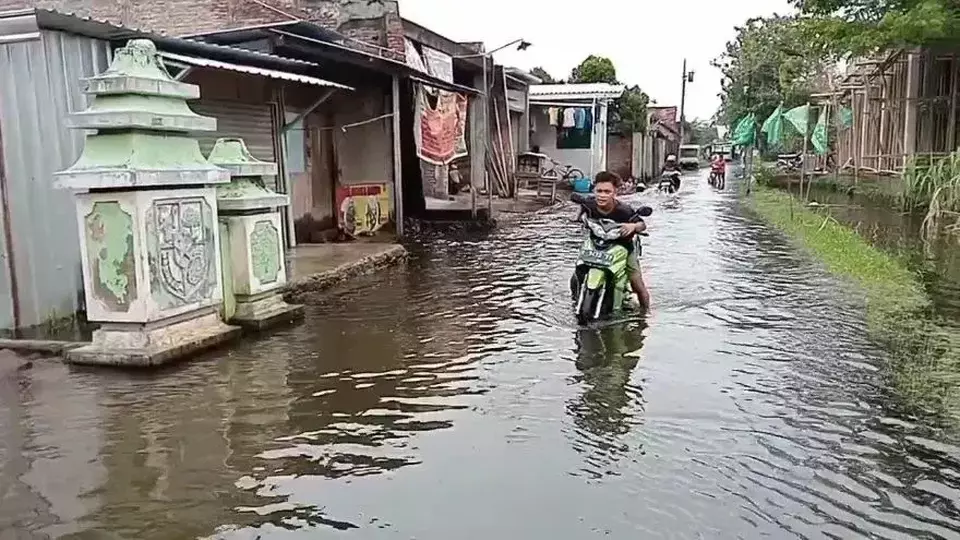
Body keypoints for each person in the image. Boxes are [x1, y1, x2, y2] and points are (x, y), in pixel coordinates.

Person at [573, 171, 651, 310]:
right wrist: (578, 218)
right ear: (594, 190)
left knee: (637, 284)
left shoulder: (625, 211)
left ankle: (645, 314)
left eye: (607, 191)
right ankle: (576, 298)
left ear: (615, 192)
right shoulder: (589, 205)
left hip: (623, 247)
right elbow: (581, 212)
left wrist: (633, 226)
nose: (602, 195)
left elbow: (642, 224)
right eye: (599, 191)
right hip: (595, 245)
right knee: (577, 271)